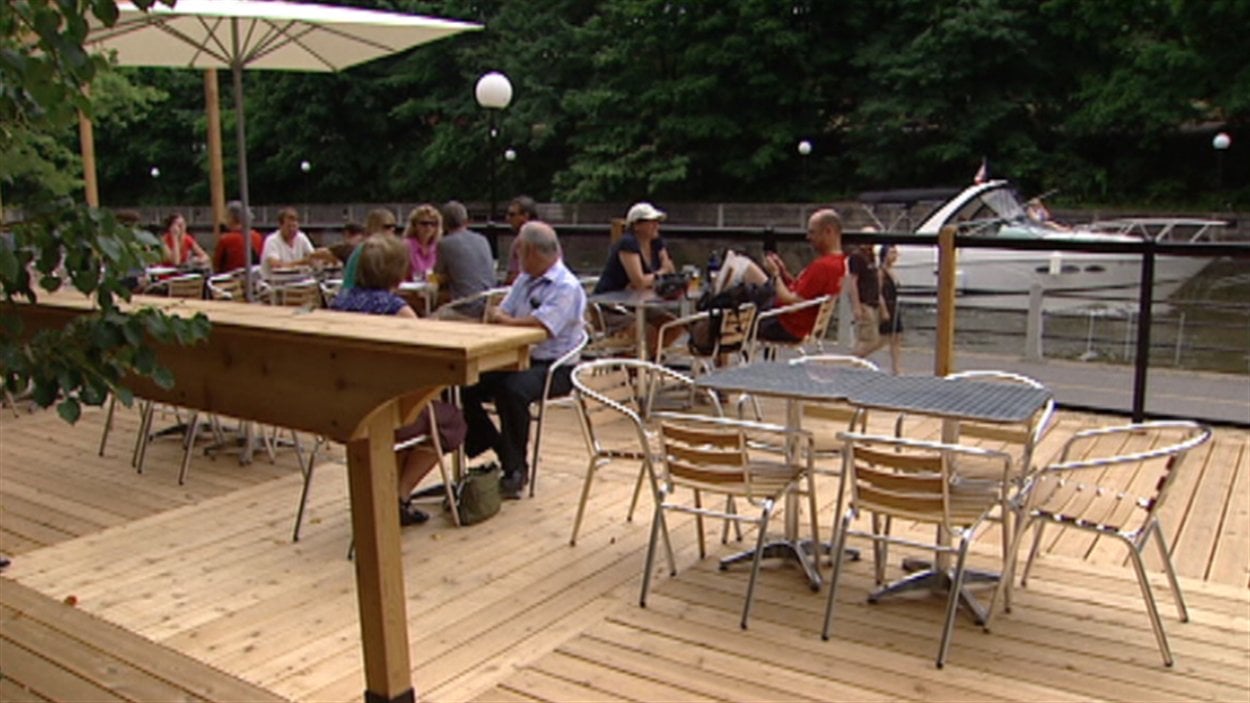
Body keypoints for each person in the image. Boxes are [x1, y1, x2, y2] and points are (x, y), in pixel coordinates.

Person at [329, 233, 467, 526]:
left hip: (344, 409)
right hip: (384, 414)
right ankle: (398, 495)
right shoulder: (396, 311)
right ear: (397, 272)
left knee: (421, 413)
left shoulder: (337, 304)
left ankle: (385, 493)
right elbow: (428, 360)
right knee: (450, 421)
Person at [461, 221, 585, 499]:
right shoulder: (524, 280)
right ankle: (500, 449)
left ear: (530, 252)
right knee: (462, 385)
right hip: (516, 358)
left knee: (512, 391)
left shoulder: (566, 286)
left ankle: (516, 469)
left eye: (518, 253)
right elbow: (502, 313)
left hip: (556, 366)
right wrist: (505, 319)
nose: (516, 259)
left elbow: (543, 329)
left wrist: (507, 320)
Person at [593, 201, 679, 353]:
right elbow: (639, 281)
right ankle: (633, 366)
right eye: (651, 222)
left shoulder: (656, 242)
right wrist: (660, 274)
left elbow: (670, 269)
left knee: (672, 325)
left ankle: (649, 360)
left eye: (657, 221)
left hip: (635, 302)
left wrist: (656, 276)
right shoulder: (628, 243)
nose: (656, 225)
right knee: (645, 330)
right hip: (610, 305)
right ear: (637, 226)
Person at [755, 208, 847, 343]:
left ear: (828, 232)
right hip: (798, 323)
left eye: (812, 232)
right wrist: (782, 272)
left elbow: (790, 301)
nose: (808, 237)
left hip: (782, 323)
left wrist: (775, 274)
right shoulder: (840, 264)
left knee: (734, 299)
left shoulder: (823, 267)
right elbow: (802, 295)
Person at [433, 200, 496, 319]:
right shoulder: (482, 240)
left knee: (429, 319)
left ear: (444, 223)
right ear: (466, 220)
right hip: (489, 306)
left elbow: (437, 277)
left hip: (466, 309)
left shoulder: (445, 244)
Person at [260, 207, 334, 278]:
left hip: (298, 282)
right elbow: (276, 265)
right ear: (280, 226)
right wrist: (301, 262)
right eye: (289, 226)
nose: (292, 229)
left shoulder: (301, 237)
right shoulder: (271, 241)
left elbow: (313, 256)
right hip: (273, 284)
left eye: (294, 226)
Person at [340, 208, 399, 290]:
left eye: (394, 226)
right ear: (374, 227)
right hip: (356, 294)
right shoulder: (368, 250)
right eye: (387, 227)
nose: (392, 230)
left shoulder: (379, 248)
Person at [848, 241, 882, 357]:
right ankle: (851, 362)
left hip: (873, 301)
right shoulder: (857, 257)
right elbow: (853, 282)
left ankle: (855, 364)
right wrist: (856, 305)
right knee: (870, 340)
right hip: (864, 302)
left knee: (869, 338)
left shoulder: (871, 256)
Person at [213, 200, 263, 273]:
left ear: (232, 218)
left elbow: (216, 265)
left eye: (227, 216)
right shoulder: (257, 236)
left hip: (230, 278)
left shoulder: (226, 239)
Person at [875, 244, 903, 374]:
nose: (894, 256)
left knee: (896, 336)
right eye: (892, 253)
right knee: (884, 338)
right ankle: (859, 354)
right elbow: (878, 292)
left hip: (894, 305)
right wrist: (883, 309)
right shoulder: (881, 271)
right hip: (887, 305)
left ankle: (895, 366)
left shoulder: (892, 271)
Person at [401, 203, 443, 281]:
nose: (428, 227)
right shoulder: (405, 246)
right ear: (414, 225)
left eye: (433, 224)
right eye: (424, 223)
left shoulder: (439, 247)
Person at [503, 195, 539, 284]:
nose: (507, 219)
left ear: (525, 216)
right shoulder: (547, 237)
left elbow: (513, 277)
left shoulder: (521, 241)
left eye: (512, 215)